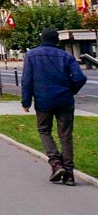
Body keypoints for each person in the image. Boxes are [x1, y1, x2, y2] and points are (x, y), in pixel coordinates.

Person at [21, 28, 87, 186]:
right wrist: (70, 90)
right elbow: (80, 77)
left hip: (43, 100)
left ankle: (56, 163)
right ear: (57, 40)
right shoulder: (66, 56)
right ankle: (69, 173)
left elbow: (27, 81)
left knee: (44, 130)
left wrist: (26, 102)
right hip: (64, 100)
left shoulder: (31, 55)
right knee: (66, 135)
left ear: (42, 39)